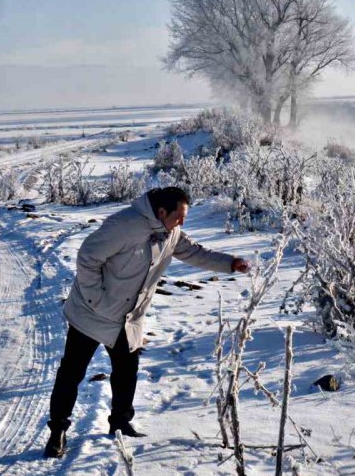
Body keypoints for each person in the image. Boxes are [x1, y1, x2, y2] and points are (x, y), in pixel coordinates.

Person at [43, 186, 250, 459]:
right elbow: (88, 257)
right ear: (161, 212)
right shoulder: (124, 225)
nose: (182, 223)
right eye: (179, 217)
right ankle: (57, 431)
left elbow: (194, 252)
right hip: (90, 313)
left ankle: (120, 423)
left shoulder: (170, 232)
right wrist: (96, 299)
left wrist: (230, 263)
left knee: (127, 370)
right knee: (72, 372)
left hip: (127, 317)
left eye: (184, 218)